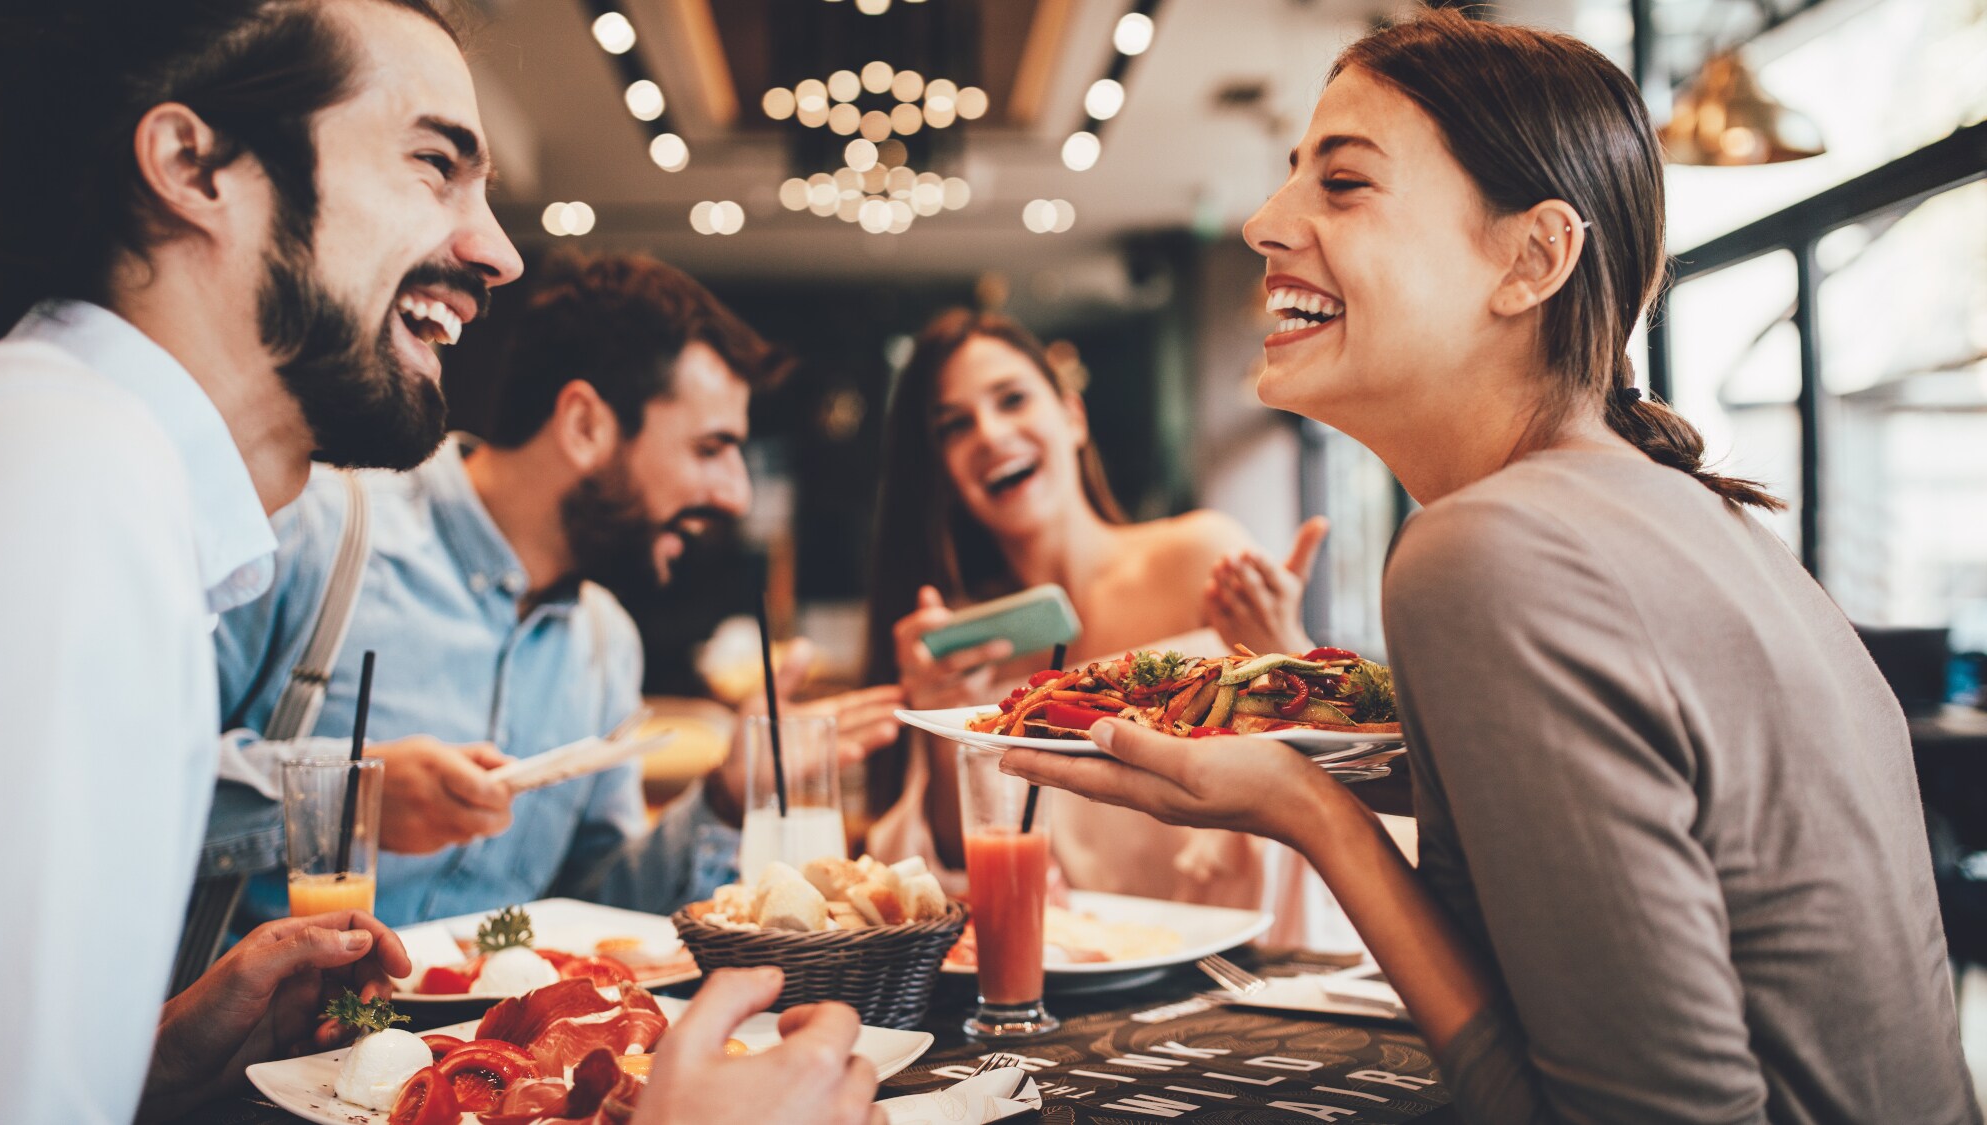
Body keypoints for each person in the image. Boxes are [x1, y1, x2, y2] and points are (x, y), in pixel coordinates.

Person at [997, 12, 1976, 1123]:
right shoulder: (1703, 522)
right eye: (1288, 182)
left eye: (1344, 184)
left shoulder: (1485, 547)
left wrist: (1317, 815)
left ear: (1529, 259)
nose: (1267, 226)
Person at [0, 3, 879, 1120]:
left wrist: (154, 1067)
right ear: (193, 166)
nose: (498, 251)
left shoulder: (103, 473)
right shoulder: (73, 478)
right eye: (433, 165)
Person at [216, 252, 903, 928]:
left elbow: (599, 911)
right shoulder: (314, 532)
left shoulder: (605, 641)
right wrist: (349, 799)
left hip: (490, 1041)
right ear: (584, 425)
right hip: (270, 1038)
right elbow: (127, 782)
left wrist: (727, 796)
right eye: (709, 448)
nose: (736, 492)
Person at [862, 310, 1332, 930]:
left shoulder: (1197, 558)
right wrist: (939, 730)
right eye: (954, 426)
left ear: (1072, 416)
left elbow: (1316, 784)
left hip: (1247, 950)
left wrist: (1288, 652)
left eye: (1012, 399)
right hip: (1079, 983)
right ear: (942, 471)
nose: (990, 434)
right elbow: (965, 870)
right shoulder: (966, 649)